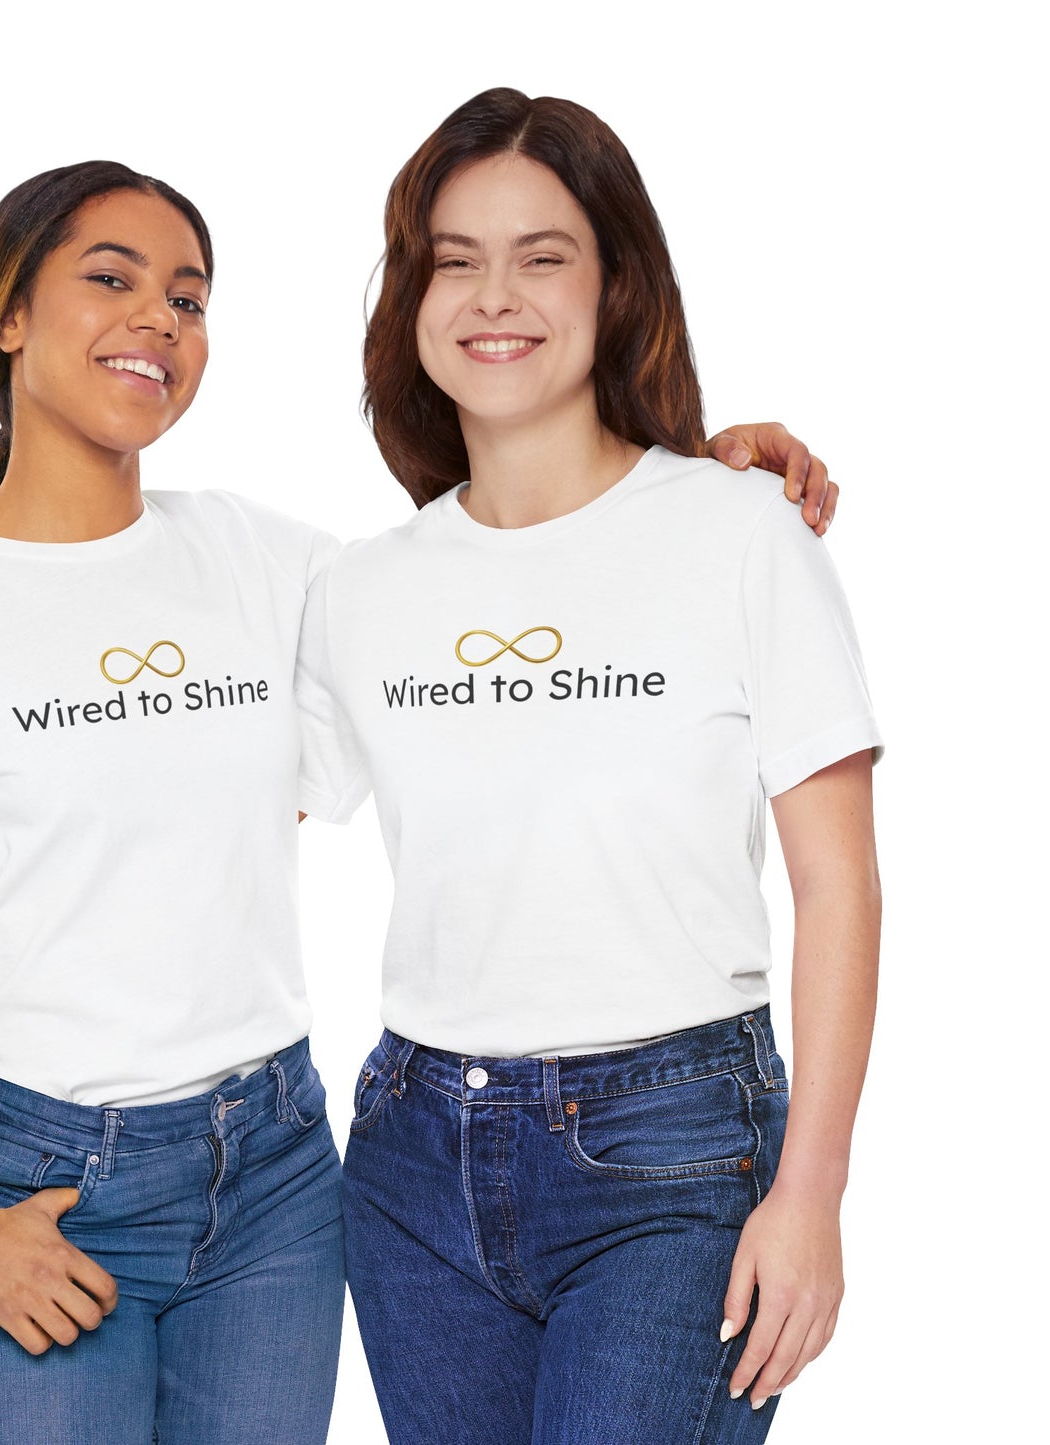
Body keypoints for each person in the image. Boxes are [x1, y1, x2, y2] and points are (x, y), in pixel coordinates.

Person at [0, 157, 836, 1442]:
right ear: (8, 315)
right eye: (111, 278)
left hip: (271, 1181)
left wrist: (688, 486)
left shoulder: (271, 567)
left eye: (188, 298)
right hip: (34, 1180)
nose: (158, 317)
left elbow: (497, 581)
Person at [296, 89, 881, 1444]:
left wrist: (811, 1196)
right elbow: (203, 796)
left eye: (542, 254)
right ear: (410, 294)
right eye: (453, 257)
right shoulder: (358, 589)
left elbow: (839, 887)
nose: (494, 294)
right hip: (409, 1163)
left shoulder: (743, 531)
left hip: (673, 1153)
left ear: (616, 283)